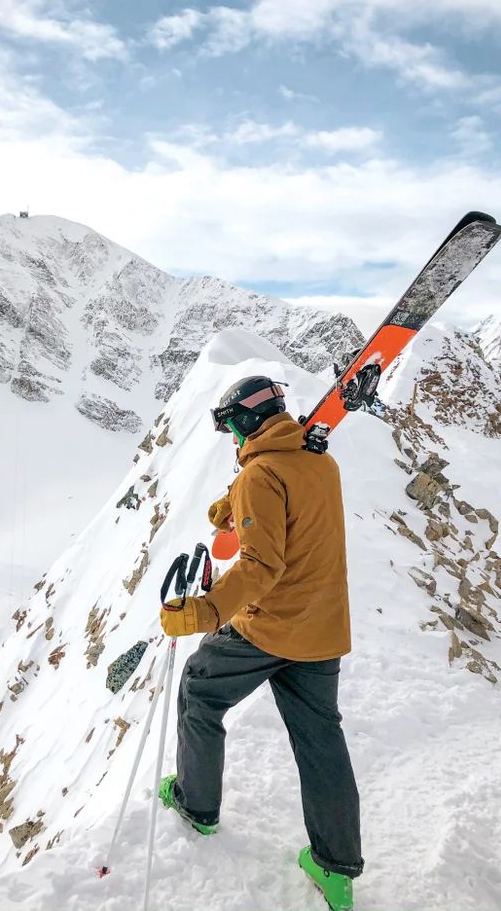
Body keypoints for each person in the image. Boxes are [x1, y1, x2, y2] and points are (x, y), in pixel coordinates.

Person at [159, 375, 363, 911]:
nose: (229, 436)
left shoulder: (262, 475)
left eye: (230, 424)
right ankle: (335, 867)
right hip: (323, 628)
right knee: (321, 744)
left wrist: (204, 612)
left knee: (201, 691)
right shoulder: (318, 462)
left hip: (269, 626)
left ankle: (195, 803)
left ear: (247, 422)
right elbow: (293, 514)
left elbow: (260, 565)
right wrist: (237, 502)